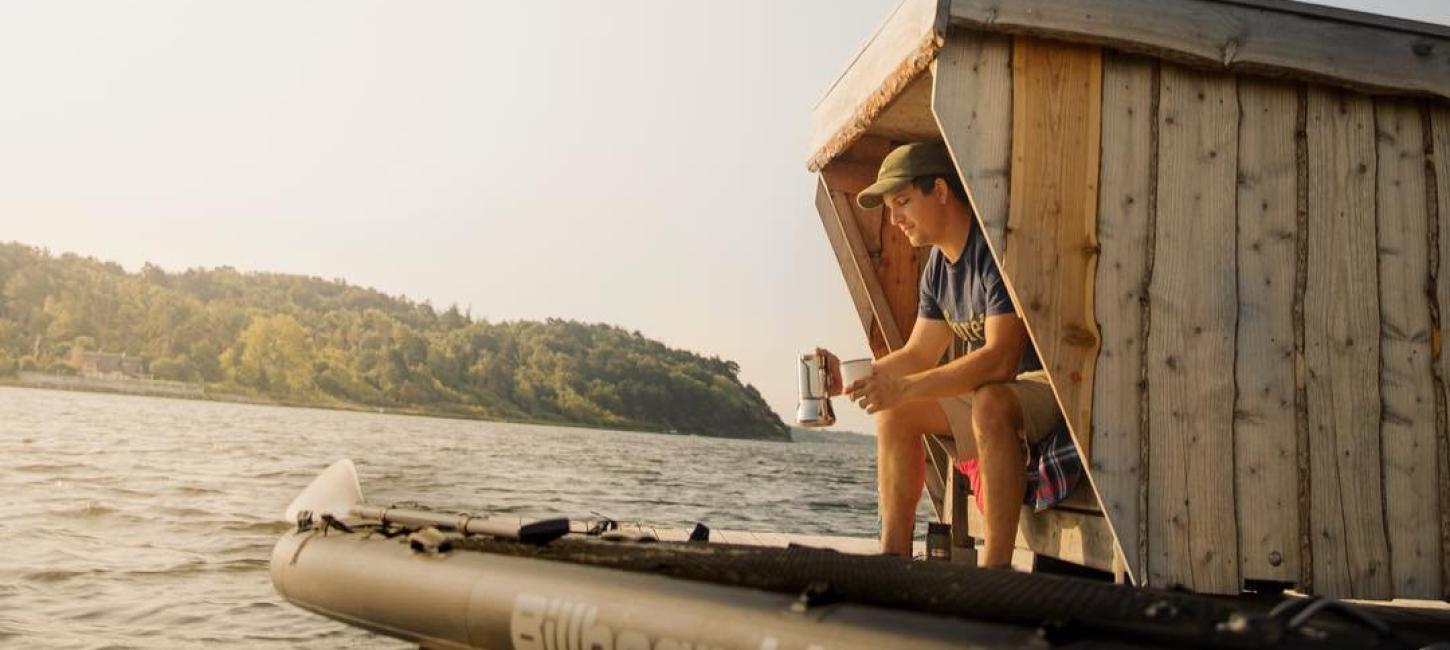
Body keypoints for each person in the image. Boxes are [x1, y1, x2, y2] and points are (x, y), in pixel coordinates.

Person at [816, 141, 1080, 566]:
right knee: (896, 413)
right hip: (991, 389)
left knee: (991, 401)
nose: (895, 219)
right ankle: (893, 559)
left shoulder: (993, 250)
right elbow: (919, 353)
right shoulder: (937, 269)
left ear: (940, 191)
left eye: (902, 201)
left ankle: (993, 572)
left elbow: (1000, 359)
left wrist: (905, 386)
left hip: (1046, 384)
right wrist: (849, 380)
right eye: (889, 208)